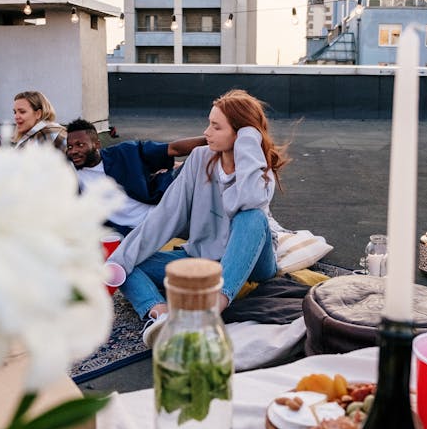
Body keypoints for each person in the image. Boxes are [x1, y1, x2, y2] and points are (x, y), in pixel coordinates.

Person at [107, 89, 290, 347]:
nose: (206, 132)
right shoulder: (199, 159)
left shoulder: (259, 171)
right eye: (209, 124)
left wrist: (249, 142)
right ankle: (161, 315)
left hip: (254, 263)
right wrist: (119, 261)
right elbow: (166, 214)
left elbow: (247, 202)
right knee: (126, 261)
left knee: (252, 216)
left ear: (241, 135)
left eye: (216, 127)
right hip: (201, 259)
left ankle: (210, 311)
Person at [66, 118, 207, 235]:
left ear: (97, 144)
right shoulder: (69, 174)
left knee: (196, 161)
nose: (74, 151)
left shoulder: (125, 153)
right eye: (70, 146)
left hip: (160, 212)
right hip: (127, 234)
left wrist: (211, 139)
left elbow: (173, 149)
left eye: (80, 145)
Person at [0, 91, 66, 151]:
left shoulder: (50, 133)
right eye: (15, 112)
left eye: (22, 112)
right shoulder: (30, 137)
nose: (16, 117)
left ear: (38, 114)